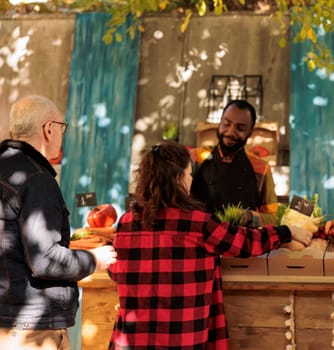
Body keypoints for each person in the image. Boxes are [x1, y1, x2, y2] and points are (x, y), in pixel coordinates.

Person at [108, 140, 312, 349]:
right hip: (182, 340)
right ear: (177, 179)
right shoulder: (198, 223)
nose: (190, 180)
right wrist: (287, 232)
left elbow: (115, 272)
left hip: (131, 341)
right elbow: (246, 243)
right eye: (188, 174)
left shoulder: (125, 223)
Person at [0, 95, 117, 349]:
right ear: (48, 129)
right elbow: (46, 260)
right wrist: (94, 260)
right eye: (62, 128)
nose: (62, 135)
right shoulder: (36, 179)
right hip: (30, 330)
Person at [190, 99, 278, 227]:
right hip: (201, 238)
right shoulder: (196, 158)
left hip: (243, 242)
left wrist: (249, 217)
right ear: (220, 122)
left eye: (240, 128)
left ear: (250, 132)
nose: (231, 132)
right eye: (226, 124)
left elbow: (272, 219)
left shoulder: (261, 167)